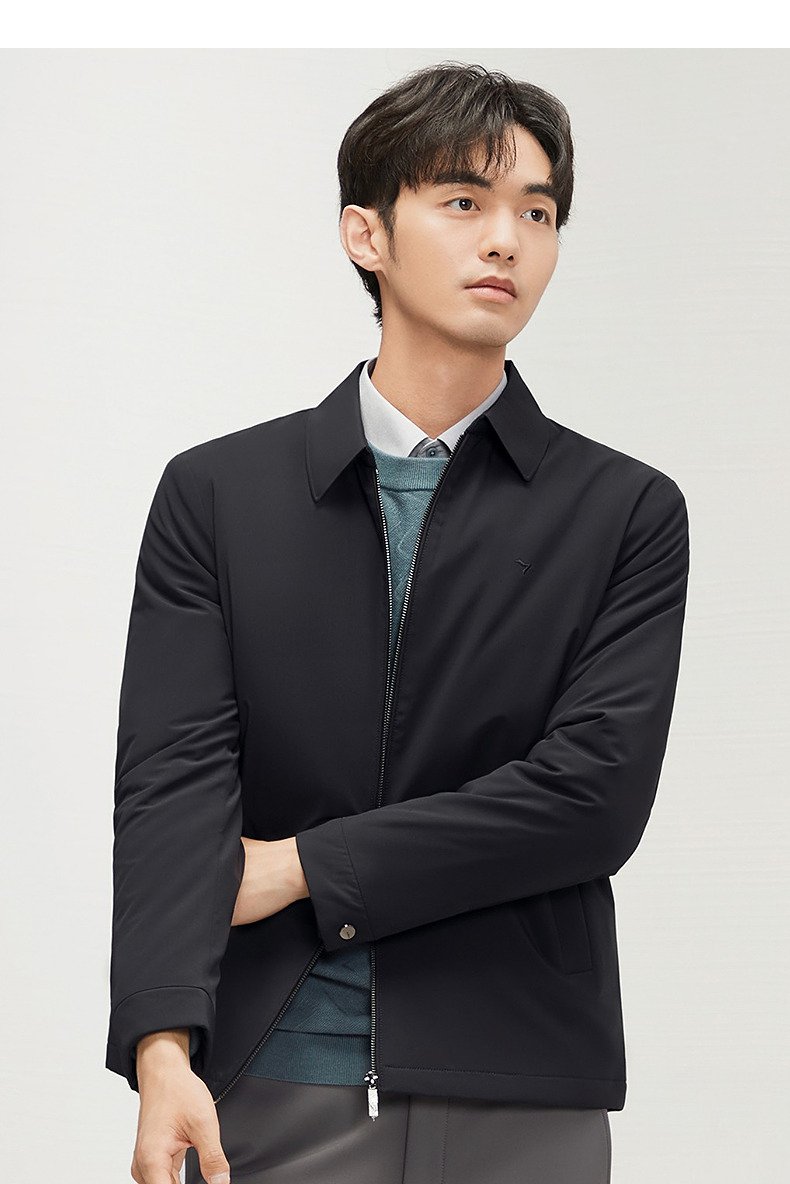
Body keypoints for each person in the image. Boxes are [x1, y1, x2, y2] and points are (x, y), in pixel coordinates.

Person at [106, 60, 690, 1184]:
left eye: (537, 213)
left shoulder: (624, 510)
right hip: (268, 1082)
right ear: (365, 234)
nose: (506, 240)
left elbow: (590, 798)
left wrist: (301, 865)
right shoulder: (218, 495)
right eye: (464, 201)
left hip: (523, 1086)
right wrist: (161, 1048)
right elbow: (173, 784)